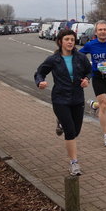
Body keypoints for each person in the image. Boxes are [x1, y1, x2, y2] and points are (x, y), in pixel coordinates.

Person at [34, 29, 92, 176]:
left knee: (76, 130)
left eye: (72, 39)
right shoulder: (53, 59)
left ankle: (60, 123)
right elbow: (39, 72)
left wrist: (86, 80)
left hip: (77, 98)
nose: (70, 42)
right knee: (70, 131)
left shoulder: (80, 58)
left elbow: (89, 71)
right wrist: (40, 81)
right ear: (60, 41)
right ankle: (74, 163)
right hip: (60, 99)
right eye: (67, 39)